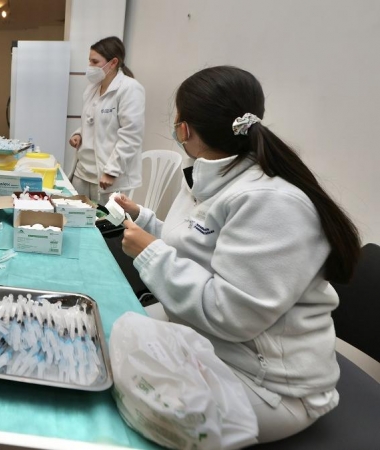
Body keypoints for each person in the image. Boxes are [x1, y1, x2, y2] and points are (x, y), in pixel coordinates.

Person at [115, 66, 361, 443]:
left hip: (273, 386)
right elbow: (193, 244)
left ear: (184, 129)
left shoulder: (271, 203)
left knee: (124, 397)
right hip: (215, 343)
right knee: (109, 330)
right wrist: (144, 219)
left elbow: (232, 314)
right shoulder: (209, 176)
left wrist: (151, 255)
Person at [68, 36, 144, 205]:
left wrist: (112, 171)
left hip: (108, 177)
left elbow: (131, 135)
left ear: (113, 63)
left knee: (105, 227)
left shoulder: (130, 89)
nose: (90, 67)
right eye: (89, 61)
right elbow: (92, 121)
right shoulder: (92, 89)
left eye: (95, 62)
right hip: (83, 171)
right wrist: (79, 134)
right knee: (75, 219)